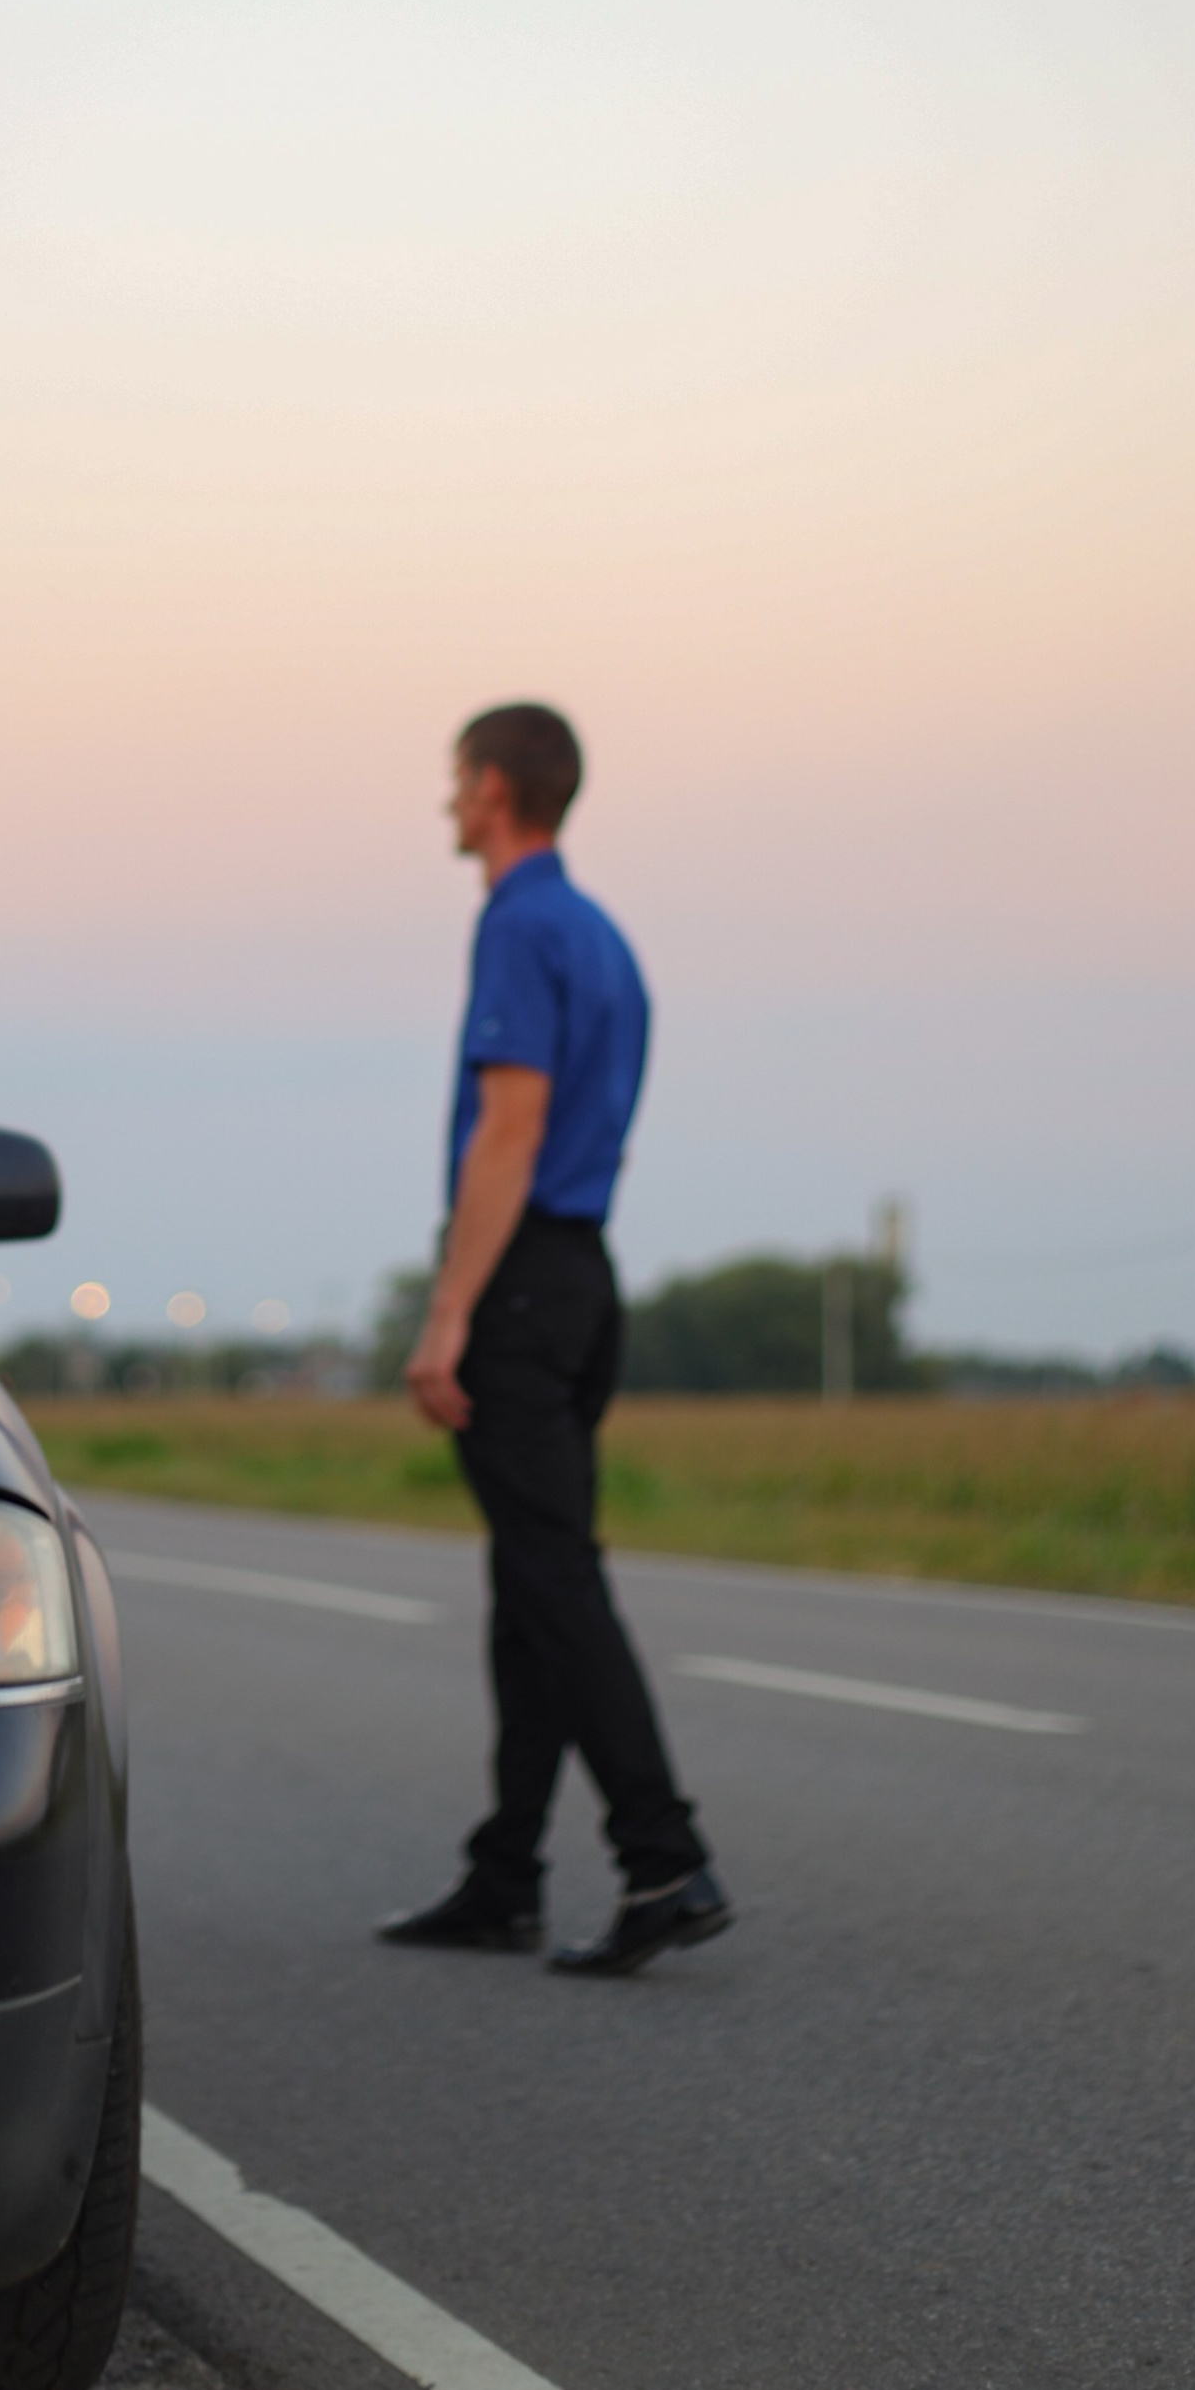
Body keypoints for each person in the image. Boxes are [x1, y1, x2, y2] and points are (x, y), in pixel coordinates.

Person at [378, 702, 732, 1976]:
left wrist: (450, 1310)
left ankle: (663, 1857)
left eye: (455, 779)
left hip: (523, 1287)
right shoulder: (599, 935)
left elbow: (510, 1132)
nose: (445, 802)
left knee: (554, 1584)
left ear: (491, 786)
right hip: (582, 1275)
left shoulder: (517, 925)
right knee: (531, 1585)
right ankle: (504, 1873)